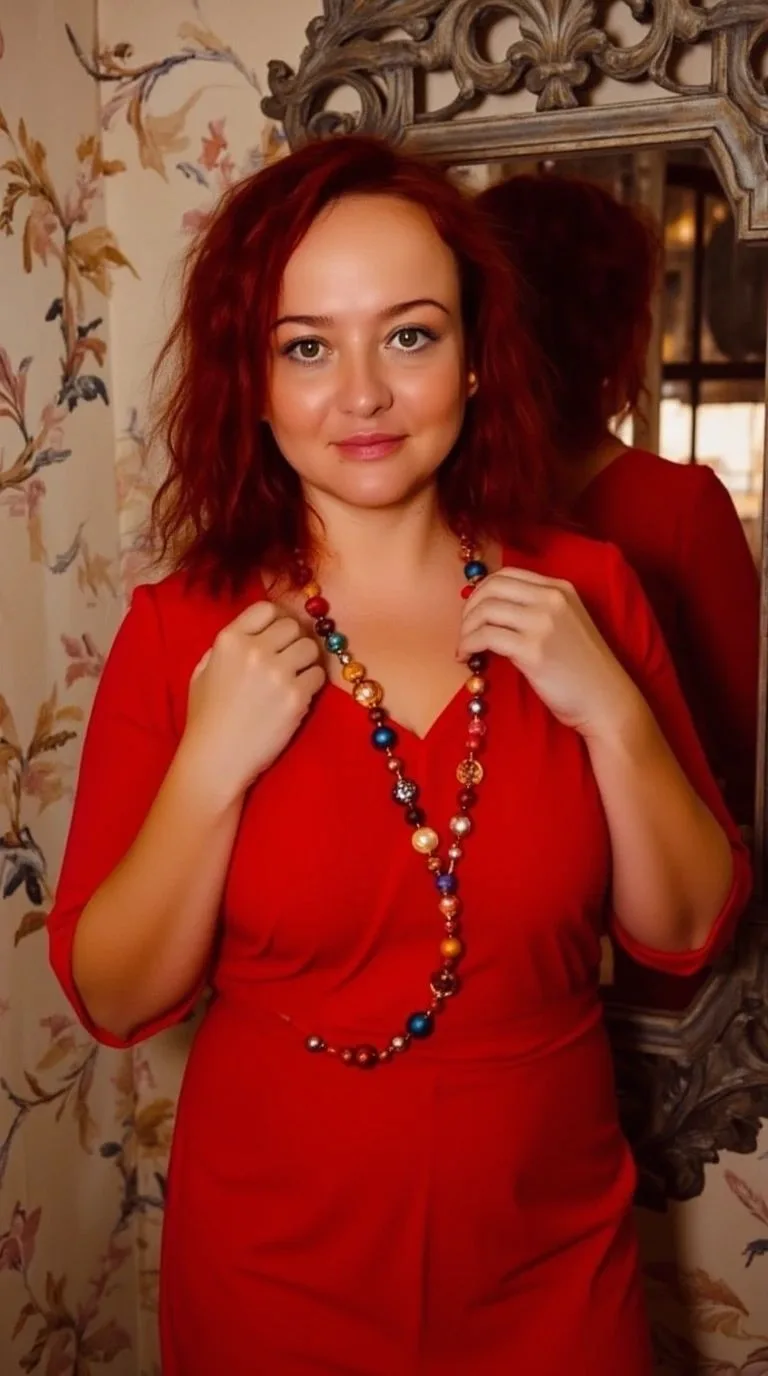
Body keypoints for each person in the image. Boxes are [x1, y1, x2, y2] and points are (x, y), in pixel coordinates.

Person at [48, 136, 750, 1376]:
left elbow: (683, 926)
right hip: (272, 1260)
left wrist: (614, 712)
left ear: (476, 356)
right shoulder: (182, 627)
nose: (362, 393)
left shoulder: (592, 588)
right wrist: (211, 766)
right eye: (306, 346)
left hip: (551, 1253)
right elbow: (115, 997)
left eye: (409, 335)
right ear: (252, 377)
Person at [477, 170, 760, 1009]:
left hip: (583, 908)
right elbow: (748, 746)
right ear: (619, 329)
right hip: (624, 902)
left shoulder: (439, 509)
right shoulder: (678, 506)